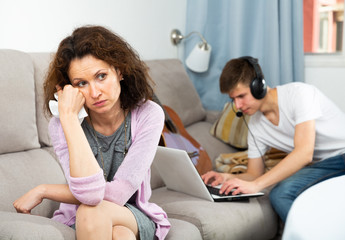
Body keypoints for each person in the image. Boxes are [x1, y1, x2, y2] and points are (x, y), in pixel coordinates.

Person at [13, 25, 170, 240]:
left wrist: (44, 190)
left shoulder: (148, 114)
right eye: (81, 83)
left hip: (132, 213)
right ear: (69, 89)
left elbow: (110, 195)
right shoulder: (62, 125)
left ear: (120, 70)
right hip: (82, 216)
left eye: (101, 76)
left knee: (92, 210)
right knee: (120, 235)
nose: (95, 93)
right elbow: (89, 195)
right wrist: (69, 118)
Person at [202, 56, 345, 223]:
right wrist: (226, 178)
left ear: (258, 86)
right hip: (323, 165)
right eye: (233, 99)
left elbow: (304, 153)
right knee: (282, 194)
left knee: (281, 193)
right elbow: (254, 173)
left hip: (341, 154)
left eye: (241, 96)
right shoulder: (255, 126)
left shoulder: (299, 94)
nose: (237, 106)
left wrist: (256, 185)